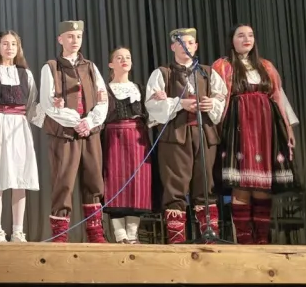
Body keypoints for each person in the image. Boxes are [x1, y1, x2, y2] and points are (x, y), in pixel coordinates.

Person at [212, 24, 297, 244]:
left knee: (263, 184)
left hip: (265, 128)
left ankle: (261, 239)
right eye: (240, 35)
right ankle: (244, 239)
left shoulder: (266, 66)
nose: (246, 39)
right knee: (241, 183)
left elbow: (278, 97)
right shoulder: (223, 66)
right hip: (238, 127)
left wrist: (287, 129)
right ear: (232, 40)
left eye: (250, 35)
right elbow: (217, 98)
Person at [144, 27, 226, 244]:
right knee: (175, 187)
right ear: (173, 47)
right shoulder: (162, 73)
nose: (185, 47)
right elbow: (152, 106)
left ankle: (210, 238)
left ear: (196, 46)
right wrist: (180, 103)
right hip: (175, 136)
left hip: (204, 134)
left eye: (190, 43)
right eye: (180, 43)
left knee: (205, 185)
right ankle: (177, 240)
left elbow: (222, 97)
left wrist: (211, 103)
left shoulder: (207, 72)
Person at [32, 20, 108, 243]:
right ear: (60, 39)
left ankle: (95, 234)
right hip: (64, 134)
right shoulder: (51, 67)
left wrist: (90, 122)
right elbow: (48, 103)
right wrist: (75, 121)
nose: (75, 40)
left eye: (78, 36)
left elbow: (103, 99)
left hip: (89, 133)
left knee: (94, 180)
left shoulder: (90, 67)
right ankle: (60, 236)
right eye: (70, 36)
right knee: (63, 182)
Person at [0, 30, 39, 243]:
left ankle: (18, 231)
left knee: (19, 178)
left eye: (13, 44)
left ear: (18, 47)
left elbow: (31, 104)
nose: (9, 47)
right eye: (5, 43)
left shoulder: (25, 74)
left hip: (19, 126)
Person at [102, 47, 153, 244]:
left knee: (138, 183)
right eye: (119, 57)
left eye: (128, 57)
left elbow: (151, 116)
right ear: (111, 64)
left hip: (138, 138)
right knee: (115, 182)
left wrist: (158, 101)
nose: (124, 60)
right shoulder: (104, 90)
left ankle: (133, 234)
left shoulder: (140, 89)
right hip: (114, 138)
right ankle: (119, 234)